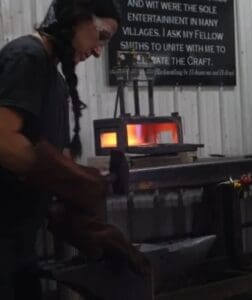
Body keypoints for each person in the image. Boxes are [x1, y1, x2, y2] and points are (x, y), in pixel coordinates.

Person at [0, 0, 148, 299]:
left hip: (18, 244)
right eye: (101, 37)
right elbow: (4, 139)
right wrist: (73, 181)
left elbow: (53, 158)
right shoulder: (26, 56)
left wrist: (83, 221)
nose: (97, 51)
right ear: (76, 18)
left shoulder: (55, 81)